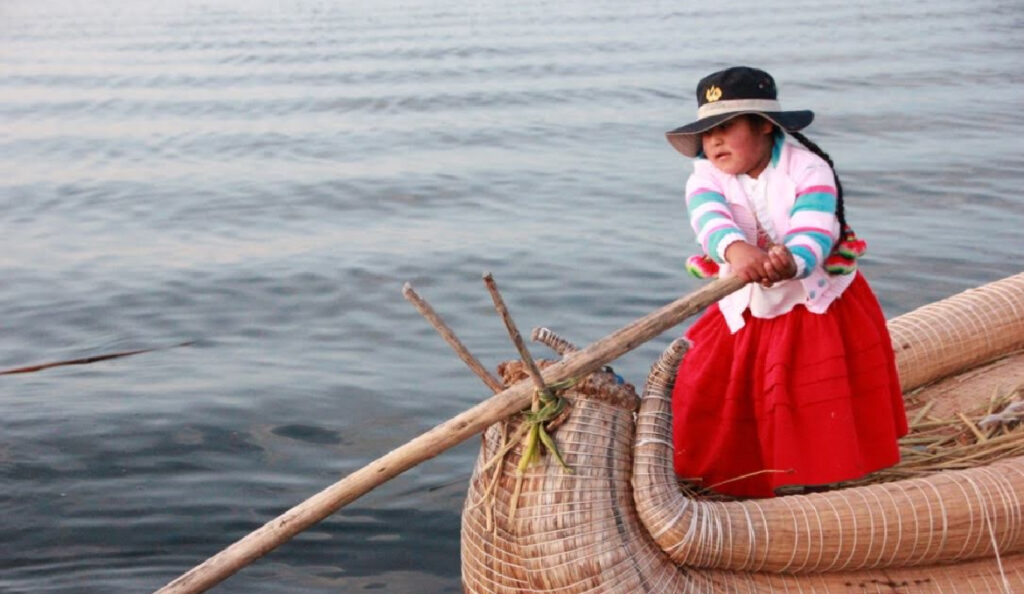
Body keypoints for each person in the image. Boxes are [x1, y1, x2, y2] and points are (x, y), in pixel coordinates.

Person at [665, 66, 908, 498]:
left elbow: (816, 227)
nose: (715, 140)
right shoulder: (705, 176)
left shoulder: (808, 167)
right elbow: (709, 219)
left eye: (727, 127)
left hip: (813, 300)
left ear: (764, 125)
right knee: (700, 376)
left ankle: (812, 480)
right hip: (743, 297)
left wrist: (789, 262)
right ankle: (725, 475)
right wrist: (739, 252)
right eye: (708, 131)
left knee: (805, 390)